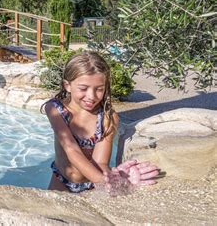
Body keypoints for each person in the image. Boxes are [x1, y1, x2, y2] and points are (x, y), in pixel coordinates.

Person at [42, 51, 159, 195]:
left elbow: (101, 162)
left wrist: (115, 181)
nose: (91, 96)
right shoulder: (55, 109)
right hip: (62, 181)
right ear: (67, 85)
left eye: (99, 89)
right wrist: (105, 182)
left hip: (92, 183)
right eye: (83, 88)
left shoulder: (107, 118)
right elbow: (71, 150)